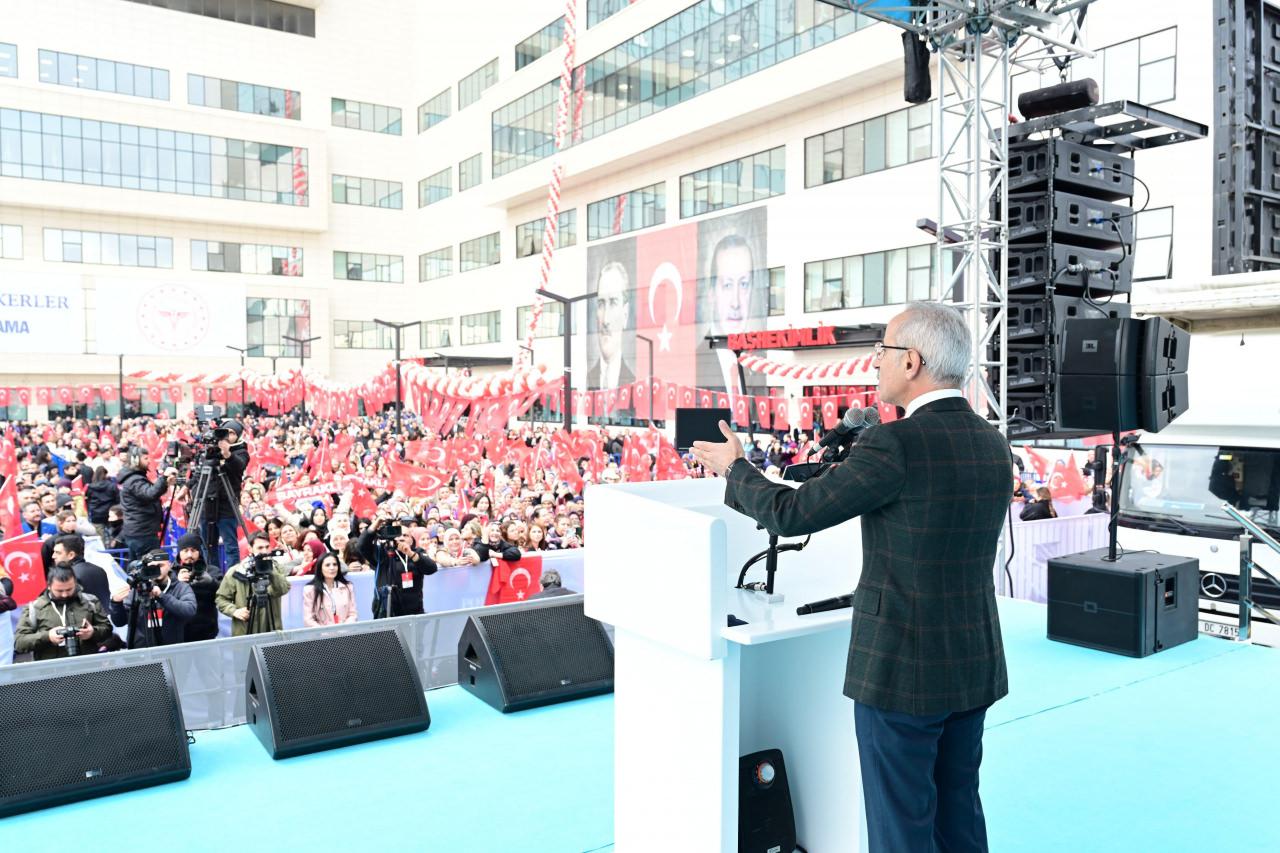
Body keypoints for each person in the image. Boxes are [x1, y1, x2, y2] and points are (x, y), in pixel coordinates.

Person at [691, 301, 1012, 853]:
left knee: (900, 825)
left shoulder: (896, 443)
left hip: (902, 668)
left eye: (883, 352)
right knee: (959, 813)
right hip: (973, 661)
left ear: (911, 361)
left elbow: (792, 514)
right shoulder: (993, 441)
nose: (875, 364)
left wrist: (735, 470)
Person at [13, 565, 114, 662]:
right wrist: (47, 636)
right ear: (49, 586)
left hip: (86, 668)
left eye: (69, 589)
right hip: (50, 672)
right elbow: (19, 642)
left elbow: (107, 628)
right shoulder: (35, 608)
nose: (65, 594)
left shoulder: (90, 601)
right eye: (59, 591)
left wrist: (92, 632)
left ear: (75, 583)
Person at [108, 549, 197, 648]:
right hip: (142, 654)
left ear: (169, 565)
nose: (157, 570)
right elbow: (119, 622)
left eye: (160, 566)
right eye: (152, 567)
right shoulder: (137, 589)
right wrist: (116, 603)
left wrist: (161, 596)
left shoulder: (180, 587)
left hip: (171, 652)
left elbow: (190, 611)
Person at [356, 516, 438, 618]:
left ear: (412, 540)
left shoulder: (417, 553)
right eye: (398, 534)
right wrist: (374, 525)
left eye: (405, 535)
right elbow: (361, 546)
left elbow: (432, 568)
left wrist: (410, 554)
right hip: (385, 612)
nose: (402, 538)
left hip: (413, 613)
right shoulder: (382, 553)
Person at [215, 531, 291, 637]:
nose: (264, 551)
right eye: (260, 548)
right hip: (245, 631)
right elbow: (220, 599)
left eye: (267, 547)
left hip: (272, 630)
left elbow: (283, 589)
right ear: (250, 549)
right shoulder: (236, 571)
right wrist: (235, 611)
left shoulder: (276, 568)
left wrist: (270, 570)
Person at [198, 419, 250, 571]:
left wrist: (227, 454)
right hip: (208, 503)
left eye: (232, 433)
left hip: (227, 504)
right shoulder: (211, 451)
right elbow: (200, 474)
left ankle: (232, 579)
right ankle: (213, 576)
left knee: (230, 546)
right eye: (226, 432)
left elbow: (238, 466)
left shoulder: (241, 451)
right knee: (208, 545)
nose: (228, 436)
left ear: (238, 436)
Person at [118, 446, 177, 560]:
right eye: (145, 458)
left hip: (139, 531)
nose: (149, 461)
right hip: (142, 534)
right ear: (135, 460)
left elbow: (149, 493)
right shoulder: (134, 480)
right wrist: (163, 477)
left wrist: (165, 483)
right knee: (148, 569)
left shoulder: (134, 478)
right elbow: (150, 494)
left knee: (138, 568)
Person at [587, 260, 636, 392]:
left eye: (613, 303)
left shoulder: (634, 384)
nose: (606, 319)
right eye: (601, 304)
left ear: (625, 314)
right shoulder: (585, 380)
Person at [174, 532, 223, 642]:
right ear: (179, 553)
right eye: (185, 551)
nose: (189, 555)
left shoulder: (212, 571)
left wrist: (211, 582)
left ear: (199, 551)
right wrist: (177, 583)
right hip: (180, 633)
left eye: (193, 550)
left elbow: (224, 593)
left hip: (207, 631)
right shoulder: (172, 573)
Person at [49, 533, 112, 608]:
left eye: (58, 553)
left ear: (71, 555)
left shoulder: (70, 576)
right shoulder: (99, 569)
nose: (53, 556)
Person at [302, 552, 358, 627]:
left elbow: (353, 615)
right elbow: (308, 619)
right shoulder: (310, 590)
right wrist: (325, 633)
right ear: (320, 568)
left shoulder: (348, 587)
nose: (332, 568)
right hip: (321, 635)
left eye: (335, 564)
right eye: (327, 565)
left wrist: (344, 630)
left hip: (345, 634)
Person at [85, 466, 120, 540]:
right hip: (110, 513)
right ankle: (113, 549)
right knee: (113, 536)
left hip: (96, 514)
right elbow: (118, 499)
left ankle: (103, 550)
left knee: (100, 537)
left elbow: (88, 499)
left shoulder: (90, 487)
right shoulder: (112, 486)